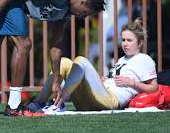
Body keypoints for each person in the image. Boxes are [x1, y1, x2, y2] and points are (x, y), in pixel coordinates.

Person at [27, 19, 158, 112]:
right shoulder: (122, 59)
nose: (125, 43)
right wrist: (107, 80)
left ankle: (59, 102)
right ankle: (39, 101)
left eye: (129, 40)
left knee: (81, 61)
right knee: (64, 62)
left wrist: (133, 83)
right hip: (93, 100)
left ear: (140, 43)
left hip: (111, 100)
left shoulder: (144, 59)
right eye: (123, 40)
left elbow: (154, 88)